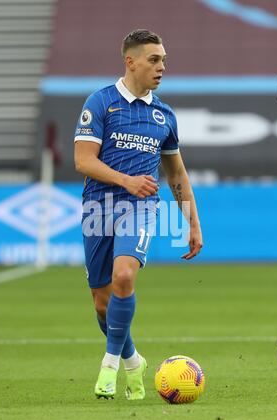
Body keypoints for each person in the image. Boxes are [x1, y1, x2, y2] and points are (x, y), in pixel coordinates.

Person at [74, 29, 203, 400]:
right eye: (154, 59)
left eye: (163, 59)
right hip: (98, 208)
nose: (162, 67)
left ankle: (109, 366)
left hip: (141, 207)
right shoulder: (100, 103)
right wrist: (126, 180)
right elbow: (83, 161)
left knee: (125, 276)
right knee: (102, 302)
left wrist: (192, 223)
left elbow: (176, 174)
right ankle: (133, 360)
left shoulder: (164, 115)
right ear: (130, 61)